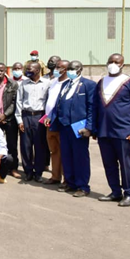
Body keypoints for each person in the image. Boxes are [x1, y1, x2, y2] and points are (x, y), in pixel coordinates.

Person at [93, 53, 130, 207]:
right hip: (104, 131)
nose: (113, 64)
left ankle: (129, 193)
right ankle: (115, 191)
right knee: (109, 164)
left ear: (122, 64)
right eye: (110, 61)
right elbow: (96, 107)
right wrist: (95, 129)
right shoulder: (101, 82)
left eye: (116, 62)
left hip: (124, 131)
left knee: (125, 163)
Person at [47, 60, 95, 198]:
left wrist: (89, 127)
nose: (70, 71)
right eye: (69, 69)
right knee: (67, 156)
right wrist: (53, 118)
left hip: (79, 127)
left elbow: (92, 108)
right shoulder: (66, 84)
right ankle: (70, 182)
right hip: (64, 126)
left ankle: (82, 186)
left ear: (80, 69)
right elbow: (58, 104)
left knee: (80, 157)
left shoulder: (88, 85)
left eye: (72, 69)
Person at [15, 62, 49, 182]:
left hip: (40, 117)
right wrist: (19, 120)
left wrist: (47, 118)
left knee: (40, 146)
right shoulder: (24, 83)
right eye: (27, 69)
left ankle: (38, 172)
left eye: (30, 69)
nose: (27, 71)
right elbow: (19, 102)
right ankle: (28, 171)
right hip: (26, 116)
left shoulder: (47, 83)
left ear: (38, 70)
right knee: (25, 146)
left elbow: (49, 102)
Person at [42, 59, 69, 186]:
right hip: (49, 121)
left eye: (60, 67)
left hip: (61, 122)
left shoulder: (69, 83)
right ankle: (55, 176)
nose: (56, 69)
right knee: (54, 150)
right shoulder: (53, 82)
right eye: (56, 67)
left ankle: (66, 178)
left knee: (64, 150)